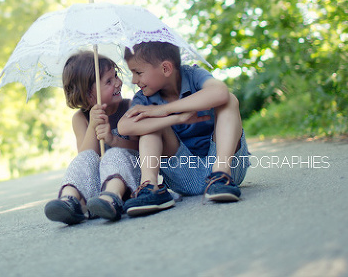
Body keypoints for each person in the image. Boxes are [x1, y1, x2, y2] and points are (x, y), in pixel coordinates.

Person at [117, 41, 250, 216]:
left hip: (227, 168)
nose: (134, 80)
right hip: (182, 172)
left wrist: (163, 110)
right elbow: (124, 126)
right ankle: (150, 187)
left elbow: (220, 92)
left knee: (229, 99)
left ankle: (220, 175)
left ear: (165, 68)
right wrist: (177, 118)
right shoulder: (144, 98)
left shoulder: (193, 75)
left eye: (138, 73)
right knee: (146, 123)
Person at [44, 51, 141, 224]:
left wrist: (113, 140)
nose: (118, 82)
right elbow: (86, 155)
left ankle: (111, 199)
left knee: (114, 154)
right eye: (109, 81)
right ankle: (69, 200)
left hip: (126, 183)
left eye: (116, 76)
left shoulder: (129, 107)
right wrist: (93, 126)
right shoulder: (80, 118)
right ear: (89, 94)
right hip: (96, 190)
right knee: (83, 159)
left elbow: (140, 149)